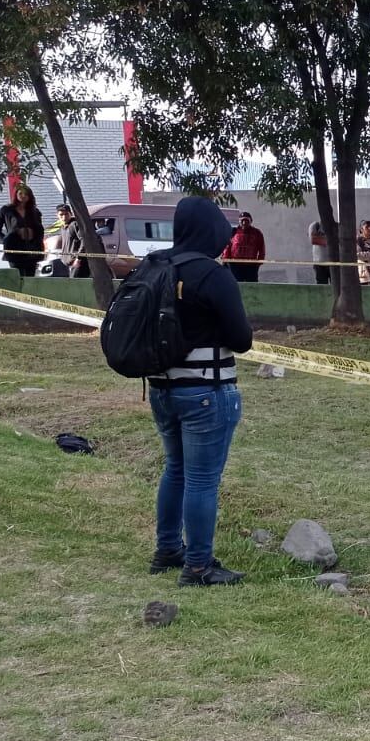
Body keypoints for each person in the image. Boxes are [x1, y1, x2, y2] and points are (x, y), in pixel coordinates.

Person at [148, 197, 254, 586]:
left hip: (161, 388)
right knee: (202, 479)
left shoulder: (156, 265)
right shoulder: (212, 274)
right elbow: (241, 339)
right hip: (206, 390)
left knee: (175, 468)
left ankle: (167, 549)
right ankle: (197, 566)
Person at [0, 184, 45, 278]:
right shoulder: (7, 210)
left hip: (31, 250)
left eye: (26, 194)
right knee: (17, 278)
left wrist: (34, 235)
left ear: (30, 196)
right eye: (20, 193)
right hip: (14, 250)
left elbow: (40, 230)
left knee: (30, 279)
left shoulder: (34, 211)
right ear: (16, 194)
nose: (23, 196)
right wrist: (6, 240)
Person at [221, 211, 265, 282]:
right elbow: (227, 246)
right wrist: (225, 260)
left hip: (251, 265)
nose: (244, 223)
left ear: (251, 221)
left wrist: (259, 262)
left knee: (252, 285)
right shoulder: (233, 232)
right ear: (239, 221)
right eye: (242, 220)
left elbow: (261, 248)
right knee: (236, 284)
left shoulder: (257, 233)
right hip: (235, 265)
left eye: (246, 220)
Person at [309, 219, 330, 284]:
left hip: (333, 263)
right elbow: (313, 240)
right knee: (322, 286)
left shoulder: (334, 226)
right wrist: (330, 240)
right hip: (319, 264)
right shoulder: (315, 226)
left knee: (336, 286)